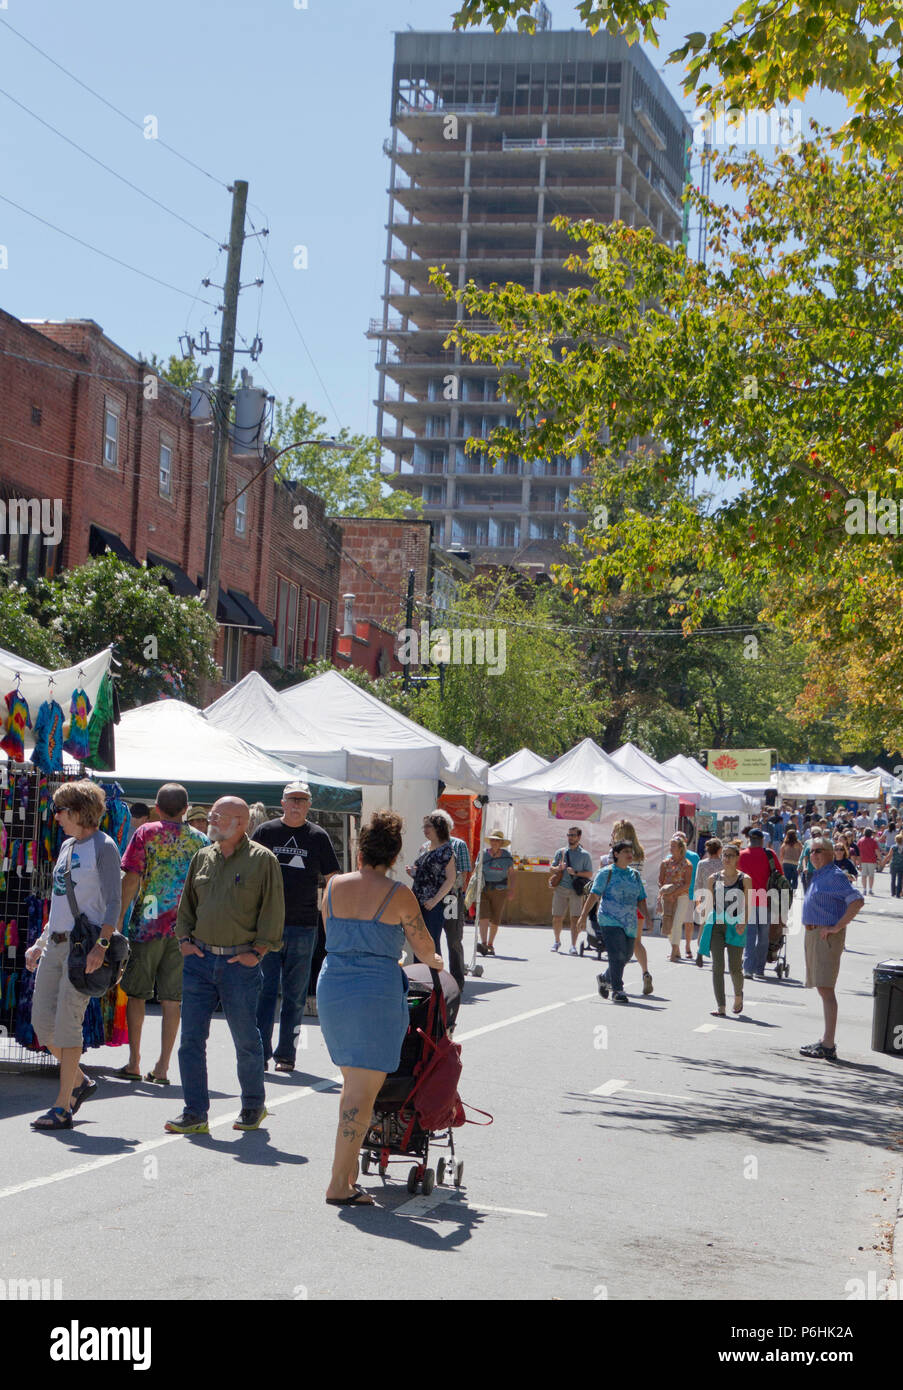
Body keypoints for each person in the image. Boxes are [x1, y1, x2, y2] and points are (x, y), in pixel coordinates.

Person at [317, 809, 444, 1205]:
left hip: (334, 985)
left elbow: (332, 933)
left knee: (352, 1084)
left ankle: (349, 1170)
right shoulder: (399, 893)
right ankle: (338, 1184)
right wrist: (436, 963)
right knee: (360, 1094)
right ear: (394, 856)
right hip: (375, 992)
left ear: (359, 849)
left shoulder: (334, 885)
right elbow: (423, 947)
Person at [166, 797, 285, 1135]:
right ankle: (194, 1112)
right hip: (199, 961)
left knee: (246, 1038)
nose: (211, 820)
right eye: (213, 815)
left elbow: (273, 910)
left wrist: (258, 951)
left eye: (218, 815)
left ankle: (252, 1105)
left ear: (240, 822)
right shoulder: (202, 856)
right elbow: (186, 904)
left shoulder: (263, 860)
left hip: (240, 963)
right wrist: (184, 941)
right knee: (191, 1039)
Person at [25, 781, 122, 1129]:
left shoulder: (105, 847)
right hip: (56, 943)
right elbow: (60, 901)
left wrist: (102, 945)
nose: (56, 817)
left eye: (60, 811)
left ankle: (62, 1106)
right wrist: (40, 941)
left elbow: (115, 901)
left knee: (68, 1028)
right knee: (41, 1024)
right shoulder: (67, 846)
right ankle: (79, 1082)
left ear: (79, 812)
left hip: (84, 948)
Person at [117, 782, 208, 1085]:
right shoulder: (201, 840)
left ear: (156, 807)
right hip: (184, 925)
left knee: (137, 994)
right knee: (173, 999)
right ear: (186, 809)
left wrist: (118, 919)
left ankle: (133, 1061)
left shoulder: (146, 833)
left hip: (149, 920)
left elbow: (131, 878)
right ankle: (163, 1066)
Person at [252, 781, 340, 1073]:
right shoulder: (266, 832)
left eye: (302, 800)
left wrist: (332, 915)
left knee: (294, 994)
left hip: (304, 925)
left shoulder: (318, 836)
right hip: (268, 925)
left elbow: (332, 879)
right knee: (264, 990)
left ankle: (286, 1054)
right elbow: (249, 872)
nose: (297, 805)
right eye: (292, 800)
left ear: (309, 805)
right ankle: (261, 1051)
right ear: (282, 802)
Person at [799, 839, 864, 1061]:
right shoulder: (820, 874)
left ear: (829, 853)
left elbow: (856, 900)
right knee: (822, 988)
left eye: (818, 851)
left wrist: (837, 926)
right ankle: (825, 1040)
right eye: (810, 851)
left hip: (825, 936)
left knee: (826, 989)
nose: (813, 855)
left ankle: (828, 1044)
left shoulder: (834, 875)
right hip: (814, 934)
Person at [575, 840, 647, 1003]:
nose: (630, 855)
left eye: (631, 852)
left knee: (627, 955)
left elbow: (641, 899)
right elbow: (594, 895)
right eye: (625, 852)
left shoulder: (634, 875)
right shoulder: (606, 873)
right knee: (616, 954)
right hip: (609, 918)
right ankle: (617, 989)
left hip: (629, 921)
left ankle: (604, 978)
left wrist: (648, 918)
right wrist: (583, 916)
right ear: (616, 854)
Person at [698, 843, 749, 1017]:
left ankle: (738, 994)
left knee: (735, 968)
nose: (727, 858)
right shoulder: (713, 878)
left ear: (737, 858)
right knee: (717, 966)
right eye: (724, 855)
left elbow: (748, 904)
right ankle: (721, 1006)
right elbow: (707, 904)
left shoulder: (744, 879)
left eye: (731, 855)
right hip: (717, 925)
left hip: (736, 925)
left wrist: (744, 922)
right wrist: (703, 929)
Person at [607, 820, 653, 995]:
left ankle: (615, 978)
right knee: (636, 942)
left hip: (619, 903)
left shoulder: (617, 853)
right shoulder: (638, 853)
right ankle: (645, 972)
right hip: (636, 901)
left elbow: (611, 872)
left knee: (618, 945)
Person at [408, 812, 457, 959]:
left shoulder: (446, 851)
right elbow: (427, 875)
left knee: (431, 944)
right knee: (418, 943)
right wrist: (413, 873)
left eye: (428, 826)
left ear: (438, 828)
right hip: (418, 902)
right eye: (424, 826)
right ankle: (419, 978)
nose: (425, 829)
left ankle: (435, 980)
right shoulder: (425, 848)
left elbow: (450, 879)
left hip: (434, 905)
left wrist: (434, 900)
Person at [430, 808, 470, 986]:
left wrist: (461, 896)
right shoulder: (426, 846)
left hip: (451, 898)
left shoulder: (458, 845)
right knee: (432, 938)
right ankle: (434, 978)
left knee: (453, 938)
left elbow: (465, 874)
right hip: (431, 899)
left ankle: (457, 980)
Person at [738, 827, 781, 980]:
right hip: (766, 900)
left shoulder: (741, 855)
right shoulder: (770, 854)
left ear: (748, 839)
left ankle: (748, 968)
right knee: (763, 936)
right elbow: (780, 876)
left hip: (747, 900)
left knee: (749, 935)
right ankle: (759, 968)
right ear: (762, 840)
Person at [550, 826, 594, 955]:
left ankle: (573, 945)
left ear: (579, 837)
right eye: (569, 835)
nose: (570, 837)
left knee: (575, 918)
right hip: (561, 888)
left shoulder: (585, 855)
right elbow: (551, 869)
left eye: (573, 835)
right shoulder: (561, 852)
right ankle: (557, 941)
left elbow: (589, 873)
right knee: (557, 917)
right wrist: (558, 868)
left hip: (576, 890)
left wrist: (575, 872)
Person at [475, 829, 515, 957]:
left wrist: (511, 889)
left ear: (501, 842)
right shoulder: (483, 854)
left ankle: (491, 943)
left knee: (495, 918)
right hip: (484, 888)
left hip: (500, 889)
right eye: (492, 840)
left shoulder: (507, 856)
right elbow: (477, 869)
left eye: (497, 840)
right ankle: (484, 943)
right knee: (483, 916)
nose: (494, 842)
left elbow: (511, 874)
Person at [658, 835, 693, 963]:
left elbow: (687, 884)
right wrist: (665, 893)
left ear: (680, 848)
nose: (670, 848)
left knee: (677, 923)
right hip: (667, 896)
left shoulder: (687, 865)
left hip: (681, 896)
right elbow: (660, 881)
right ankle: (676, 949)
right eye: (670, 846)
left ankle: (673, 952)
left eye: (673, 846)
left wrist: (674, 894)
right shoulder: (665, 863)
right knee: (668, 924)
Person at [693, 837, 724, 969]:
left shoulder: (702, 864)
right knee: (719, 927)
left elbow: (698, 883)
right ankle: (715, 952)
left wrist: (697, 901)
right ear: (720, 850)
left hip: (705, 897)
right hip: (721, 899)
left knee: (704, 926)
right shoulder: (724, 864)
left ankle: (700, 951)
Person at [852, 827, 879, 895]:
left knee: (864, 875)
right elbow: (877, 851)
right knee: (871, 875)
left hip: (862, 860)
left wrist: (857, 860)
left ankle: (864, 889)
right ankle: (870, 889)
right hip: (872, 860)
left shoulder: (861, 840)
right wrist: (880, 858)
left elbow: (856, 850)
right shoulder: (873, 841)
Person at [779, 827, 803, 893]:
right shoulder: (798, 843)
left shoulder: (785, 844)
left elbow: (781, 854)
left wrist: (781, 864)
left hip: (786, 863)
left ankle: (788, 892)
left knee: (787, 879)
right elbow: (802, 853)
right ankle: (793, 891)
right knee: (795, 879)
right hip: (796, 863)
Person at [887, 833, 903, 898]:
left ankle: (893, 892)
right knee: (899, 879)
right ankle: (898, 894)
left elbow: (889, 855)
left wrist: (886, 862)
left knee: (893, 879)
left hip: (893, 864)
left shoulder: (893, 847)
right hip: (901, 865)